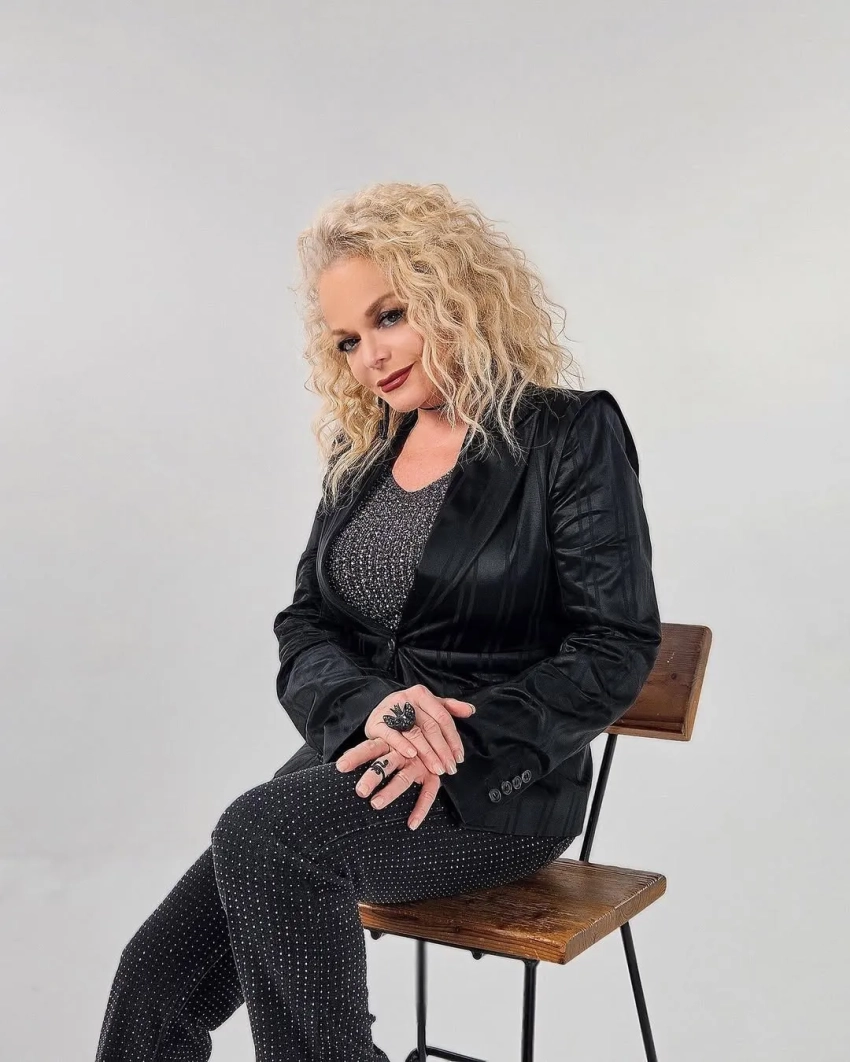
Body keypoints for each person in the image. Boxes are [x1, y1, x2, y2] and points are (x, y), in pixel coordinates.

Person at [93, 181, 662, 1062]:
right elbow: (305, 625)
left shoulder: (566, 434)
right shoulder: (363, 456)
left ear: (456, 292)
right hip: (356, 763)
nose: (371, 357)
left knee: (264, 835)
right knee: (153, 982)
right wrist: (371, 708)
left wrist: (451, 742)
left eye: (390, 316)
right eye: (348, 341)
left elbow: (613, 646)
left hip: (494, 788)